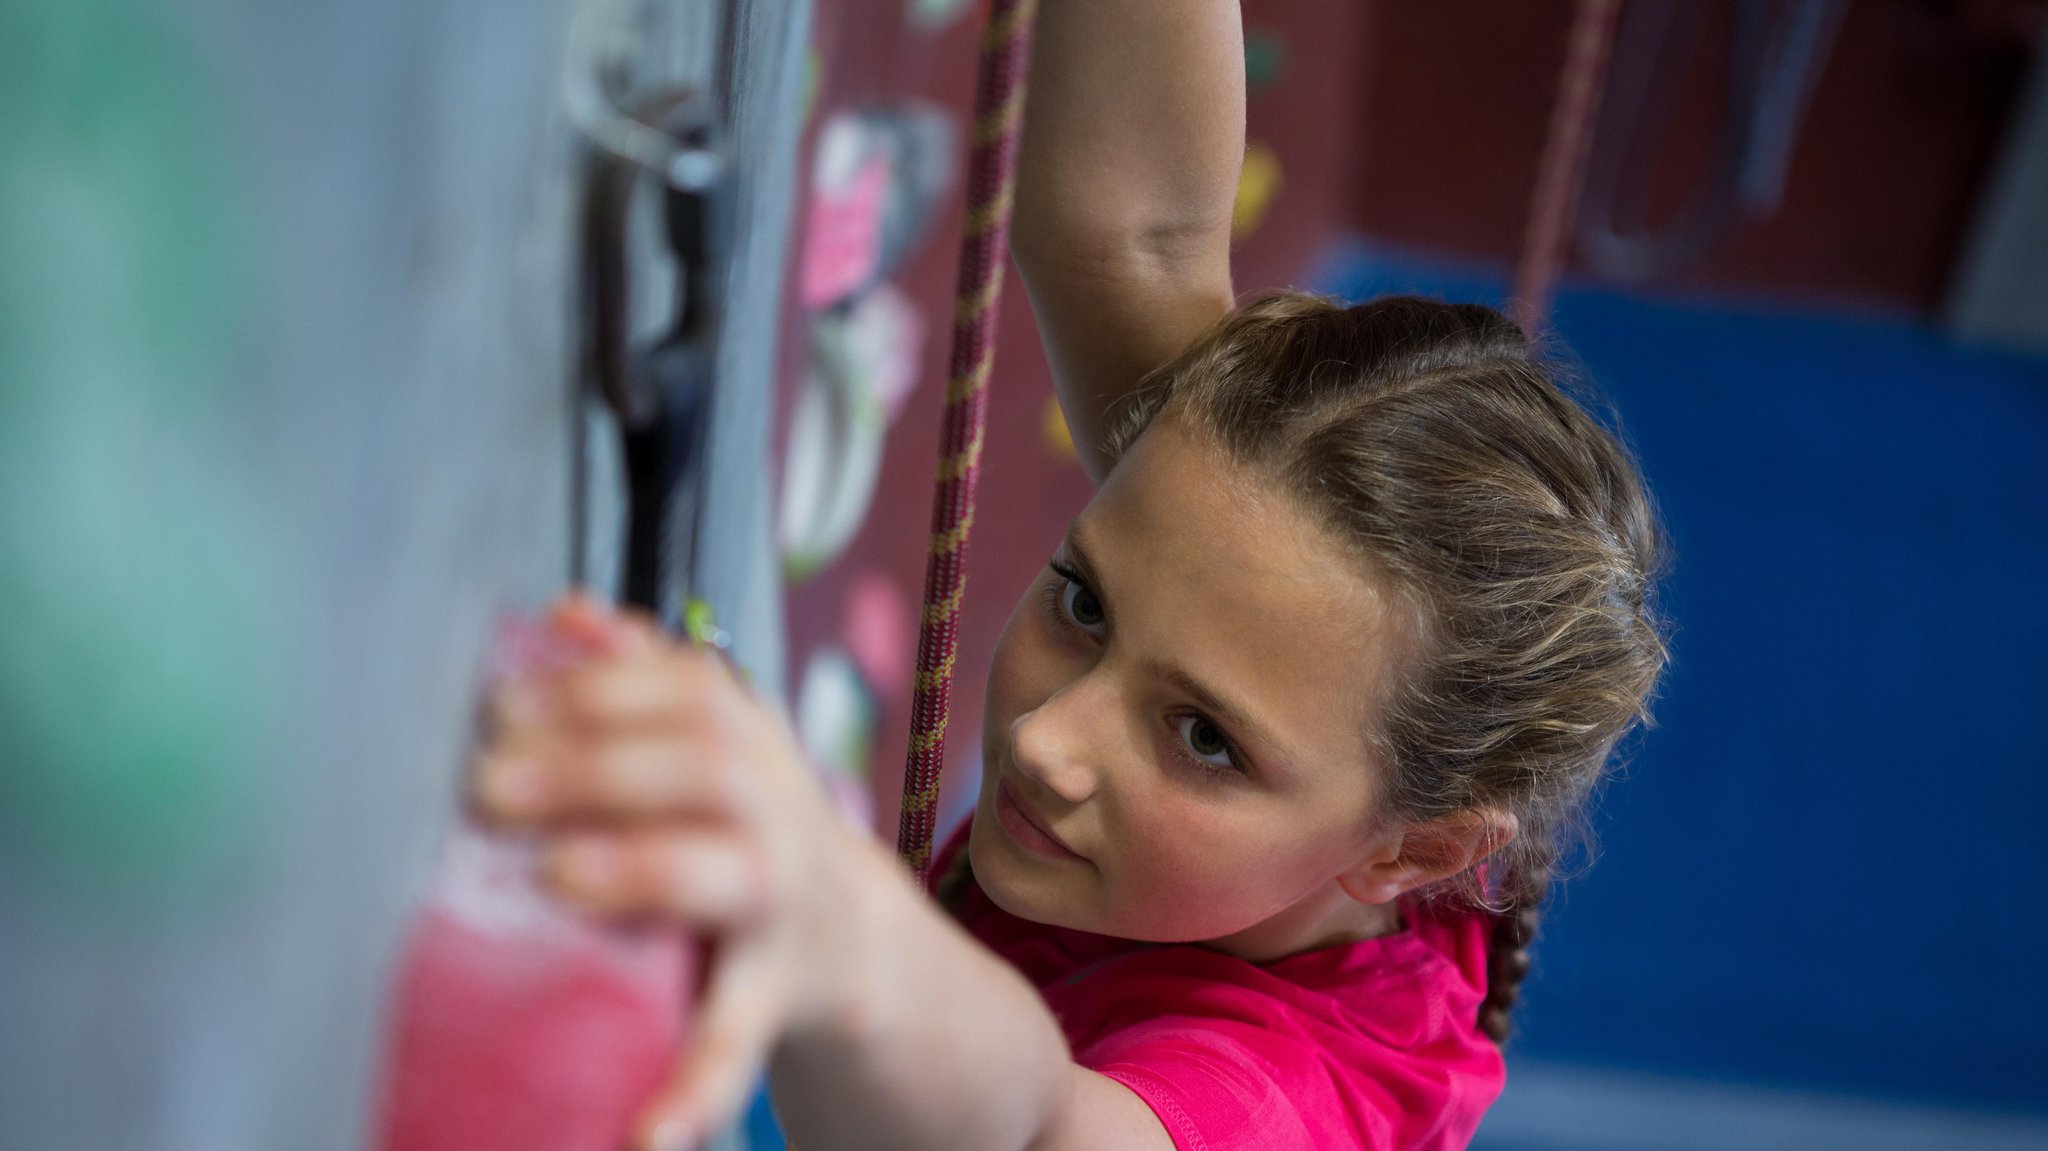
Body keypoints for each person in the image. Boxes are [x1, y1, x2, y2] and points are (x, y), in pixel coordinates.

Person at [469, 1, 1668, 1148]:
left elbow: (1042, 1128)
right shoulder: (1288, 641)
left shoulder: (1284, 1099)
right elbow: (1127, 237)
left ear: (1407, 856)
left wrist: (838, 918)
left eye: (1203, 738)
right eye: (1085, 604)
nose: (1047, 740)